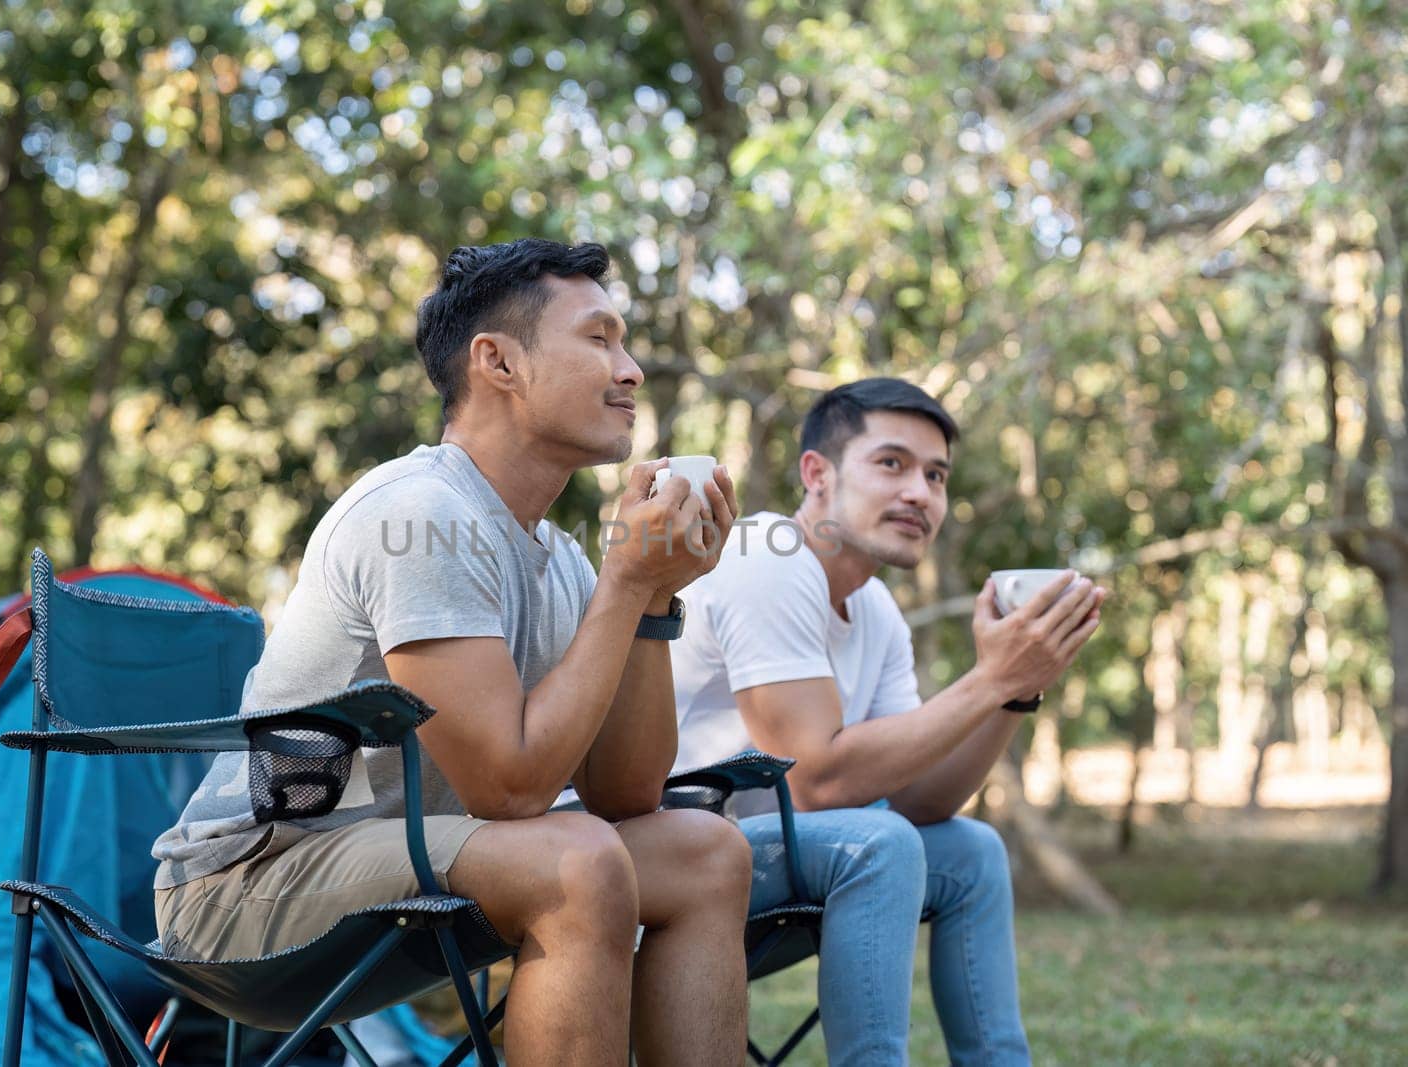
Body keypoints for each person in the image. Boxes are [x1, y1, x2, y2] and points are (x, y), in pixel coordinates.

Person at [152, 239, 753, 1066]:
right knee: (573, 862)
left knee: (704, 851)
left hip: (414, 870)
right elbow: (509, 791)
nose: (632, 368)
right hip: (247, 888)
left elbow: (627, 790)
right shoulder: (423, 514)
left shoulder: (559, 557)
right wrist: (623, 583)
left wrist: (650, 600)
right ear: (498, 361)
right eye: (600, 338)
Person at [668, 377, 1107, 1065]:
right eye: (892, 463)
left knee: (972, 852)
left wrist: (1017, 692)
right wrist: (989, 677)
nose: (920, 493)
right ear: (818, 473)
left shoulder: (876, 612)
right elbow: (813, 780)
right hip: (670, 861)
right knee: (878, 842)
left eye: (936, 475)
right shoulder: (766, 552)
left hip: (770, 855)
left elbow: (921, 797)